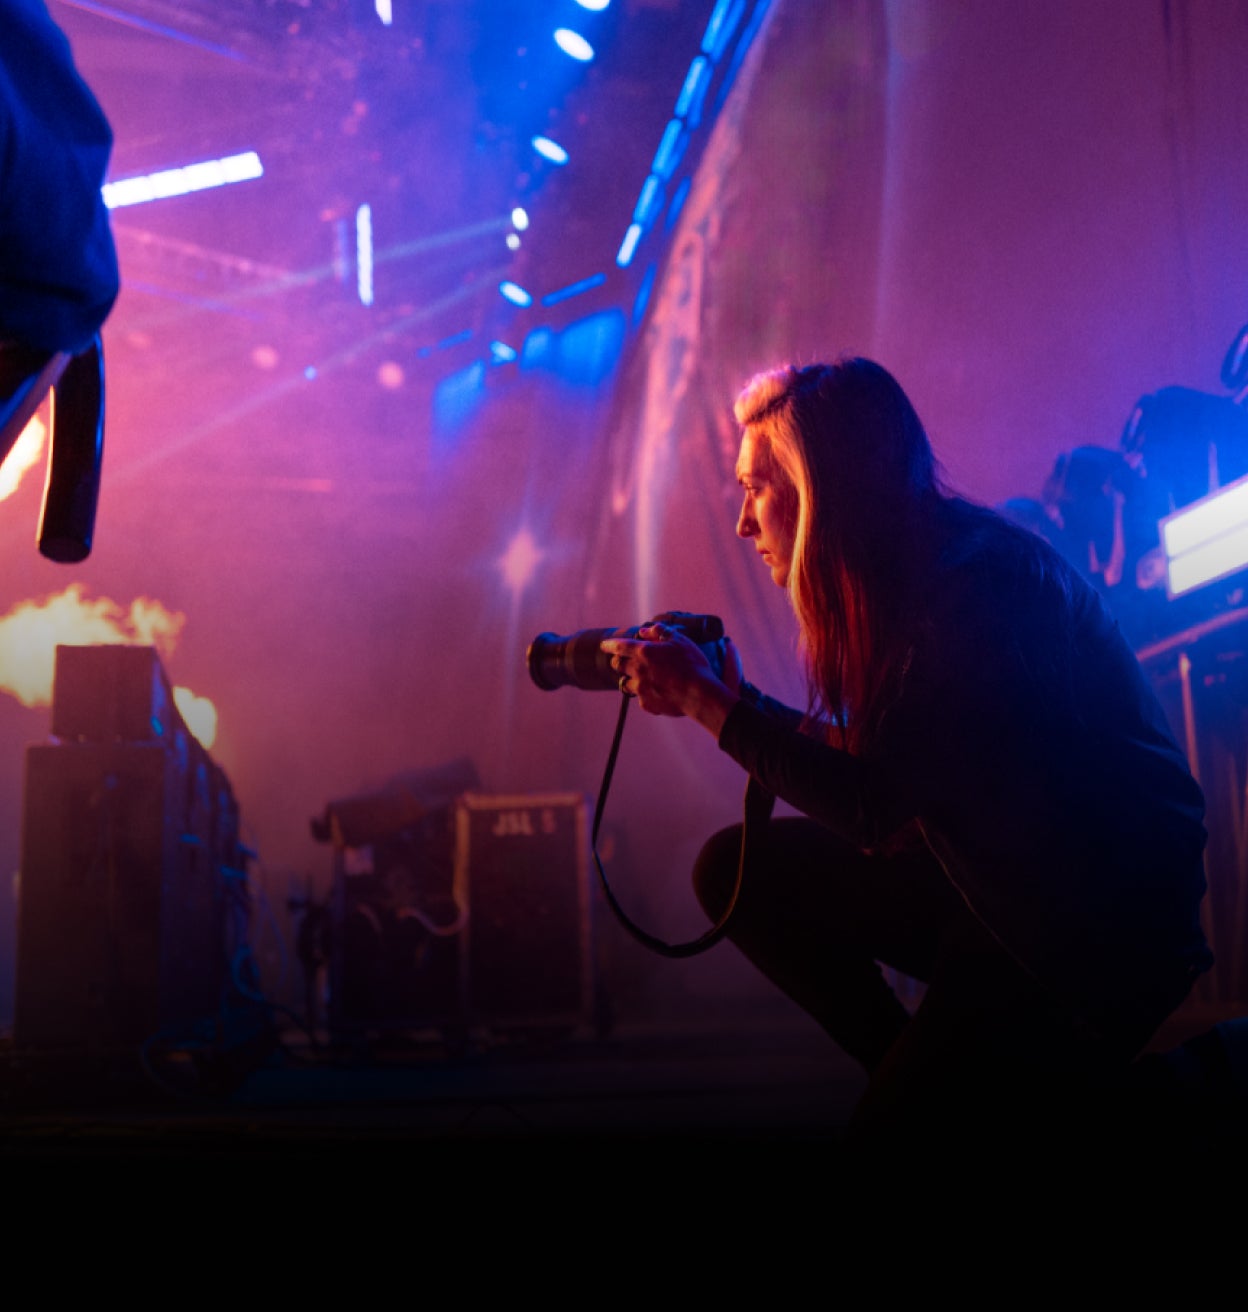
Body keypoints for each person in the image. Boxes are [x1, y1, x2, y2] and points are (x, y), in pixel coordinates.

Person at [600, 356, 1214, 1160]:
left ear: (822, 487)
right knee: (734, 872)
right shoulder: (911, 577)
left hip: (1087, 928)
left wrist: (706, 704)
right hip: (997, 891)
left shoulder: (972, 590)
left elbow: (871, 809)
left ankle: (1140, 1105)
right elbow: (887, 766)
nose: (744, 523)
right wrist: (739, 706)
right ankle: (944, 1092)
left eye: (758, 488)